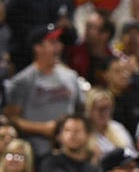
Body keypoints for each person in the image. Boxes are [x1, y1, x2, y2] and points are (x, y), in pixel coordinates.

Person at [4, 24, 83, 164]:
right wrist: (44, 128)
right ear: (37, 48)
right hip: (38, 151)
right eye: (52, 43)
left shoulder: (71, 76)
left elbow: (80, 111)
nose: (58, 47)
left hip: (71, 150)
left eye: (59, 42)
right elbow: (11, 119)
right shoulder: (22, 81)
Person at [39, 115, 105, 172]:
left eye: (77, 131)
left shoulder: (93, 169)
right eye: (67, 130)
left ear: (88, 135)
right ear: (59, 136)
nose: (72, 134)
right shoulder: (50, 162)